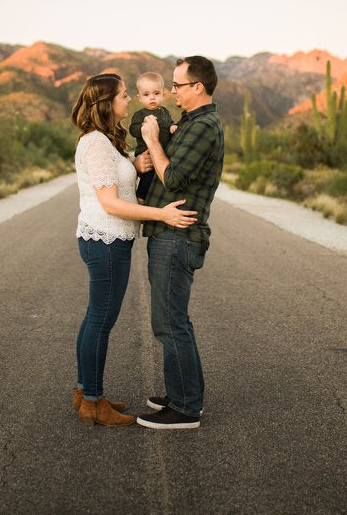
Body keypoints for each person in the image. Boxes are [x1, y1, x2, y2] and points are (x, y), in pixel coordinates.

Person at [70, 73, 197, 427]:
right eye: (124, 95)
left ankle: (86, 392)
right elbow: (110, 203)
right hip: (105, 239)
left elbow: (121, 185)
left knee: (96, 317)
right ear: (107, 103)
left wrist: (137, 165)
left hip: (110, 239)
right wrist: (162, 214)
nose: (129, 100)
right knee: (101, 320)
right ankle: (93, 402)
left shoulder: (107, 142)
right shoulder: (95, 143)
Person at [136, 56, 225, 430]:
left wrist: (154, 141)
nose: (172, 91)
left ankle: (187, 407)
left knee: (170, 322)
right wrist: (144, 160)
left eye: (178, 85)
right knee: (170, 319)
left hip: (178, 236)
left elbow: (173, 178)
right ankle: (181, 394)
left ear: (197, 88)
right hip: (166, 232)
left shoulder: (204, 126)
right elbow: (160, 170)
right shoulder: (188, 124)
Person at [129, 72, 177, 202]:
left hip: (163, 153)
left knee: (162, 178)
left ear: (163, 95)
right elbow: (133, 129)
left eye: (156, 93)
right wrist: (143, 127)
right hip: (147, 153)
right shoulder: (140, 114)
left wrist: (172, 127)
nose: (152, 98)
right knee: (149, 176)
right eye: (146, 94)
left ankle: (156, 201)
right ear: (139, 98)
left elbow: (170, 123)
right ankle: (141, 197)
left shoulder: (165, 112)